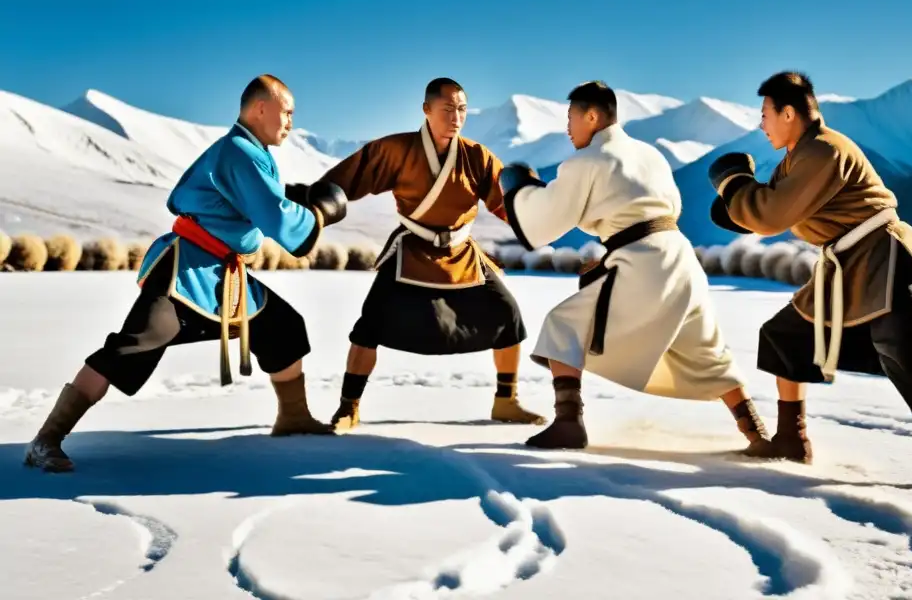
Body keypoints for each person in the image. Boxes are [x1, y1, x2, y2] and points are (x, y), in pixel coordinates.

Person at [707, 70, 912, 498]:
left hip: (884, 257)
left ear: (787, 113)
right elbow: (767, 210)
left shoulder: (822, 150)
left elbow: (769, 214)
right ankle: (791, 440)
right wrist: (738, 202)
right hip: (847, 266)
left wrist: (733, 184)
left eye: (764, 114)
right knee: (784, 338)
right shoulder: (798, 157)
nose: (761, 125)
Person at [24, 75, 349, 473]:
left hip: (222, 276)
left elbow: (261, 199)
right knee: (134, 345)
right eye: (287, 112)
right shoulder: (239, 152)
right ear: (260, 108)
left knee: (282, 326)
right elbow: (274, 217)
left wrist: (292, 195)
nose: (290, 123)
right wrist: (316, 214)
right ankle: (46, 439)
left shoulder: (248, 152)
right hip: (185, 270)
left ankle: (293, 417)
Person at [498, 80, 772, 451]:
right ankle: (757, 434)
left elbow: (542, 223)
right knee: (706, 351)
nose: (567, 129)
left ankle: (568, 423)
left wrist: (520, 189)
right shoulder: (650, 155)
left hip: (642, 264)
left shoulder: (586, 162)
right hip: (681, 260)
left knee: (562, 325)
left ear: (592, 116)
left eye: (571, 119)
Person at [303, 77, 544, 431]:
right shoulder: (397, 150)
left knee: (508, 314)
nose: (456, 117)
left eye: (462, 109)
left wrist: (536, 204)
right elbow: (345, 181)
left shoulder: (477, 157)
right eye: (447, 109)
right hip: (411, 252)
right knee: (369, 325)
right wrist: (315, 202)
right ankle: (348, 407)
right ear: (426, 110)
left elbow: (508, 203)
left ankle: (506, 401)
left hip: (463, 255)